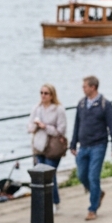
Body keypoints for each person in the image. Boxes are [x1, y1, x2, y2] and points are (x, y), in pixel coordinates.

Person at [70, 76, 112, 221]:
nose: (83, 88)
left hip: (99, 145)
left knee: (93, 176)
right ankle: (98, 193)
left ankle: (92, 209)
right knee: (82, 175)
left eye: (85, 86)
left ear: (93, 87)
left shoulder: (105, 104)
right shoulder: (81, 104)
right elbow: (77, 125)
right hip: (83, 146)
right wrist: (73, 143)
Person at [29, 83, 68, 212]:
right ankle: (42, 202)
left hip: (53, 147)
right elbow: (29, 127)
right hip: (39, 146)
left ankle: (54, 201)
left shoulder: (58, 109)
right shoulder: (37, 108)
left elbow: (61, 130)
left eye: (46, 93)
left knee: (50, 175)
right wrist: (36, 126)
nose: (43, 96)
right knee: (39, 176)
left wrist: (45, 126)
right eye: (41, 93)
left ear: (52, 95)